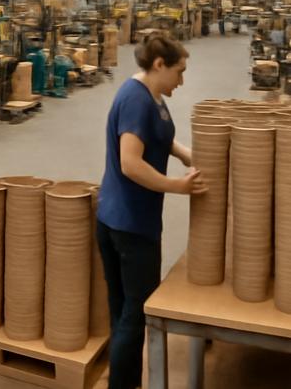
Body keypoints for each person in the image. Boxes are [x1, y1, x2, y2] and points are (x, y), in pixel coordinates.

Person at [97, 34, 207, 389]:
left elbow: (157, 135)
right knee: (135, 312)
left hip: (121, 218)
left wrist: (183, 153)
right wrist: (179, 186)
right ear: (159, 65)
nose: (182, 80)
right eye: (179, 71)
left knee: (123, 311)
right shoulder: (136, 101)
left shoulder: (152, 95)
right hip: (130, 225)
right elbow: (130, 163)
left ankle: (120, 376)